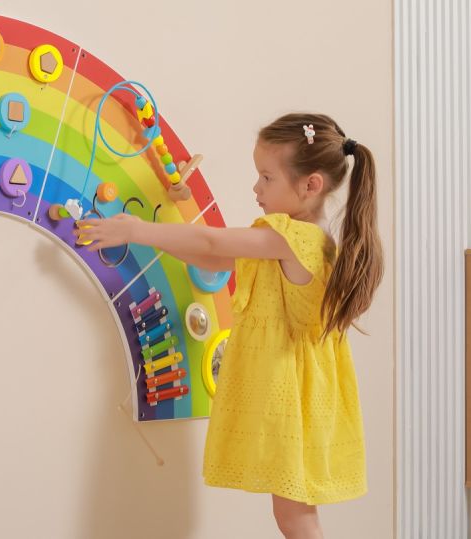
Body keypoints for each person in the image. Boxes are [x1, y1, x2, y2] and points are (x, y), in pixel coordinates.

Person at [76, 113, 382, 539]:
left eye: (267, 178)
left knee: (295, 517)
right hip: (304, 392)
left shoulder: (291, 238)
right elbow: (212, 256)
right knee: (294, 513)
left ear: (311, 185)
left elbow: (212, 242)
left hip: (293, 394)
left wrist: (137, 230)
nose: (256, 188)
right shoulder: (305, 239)